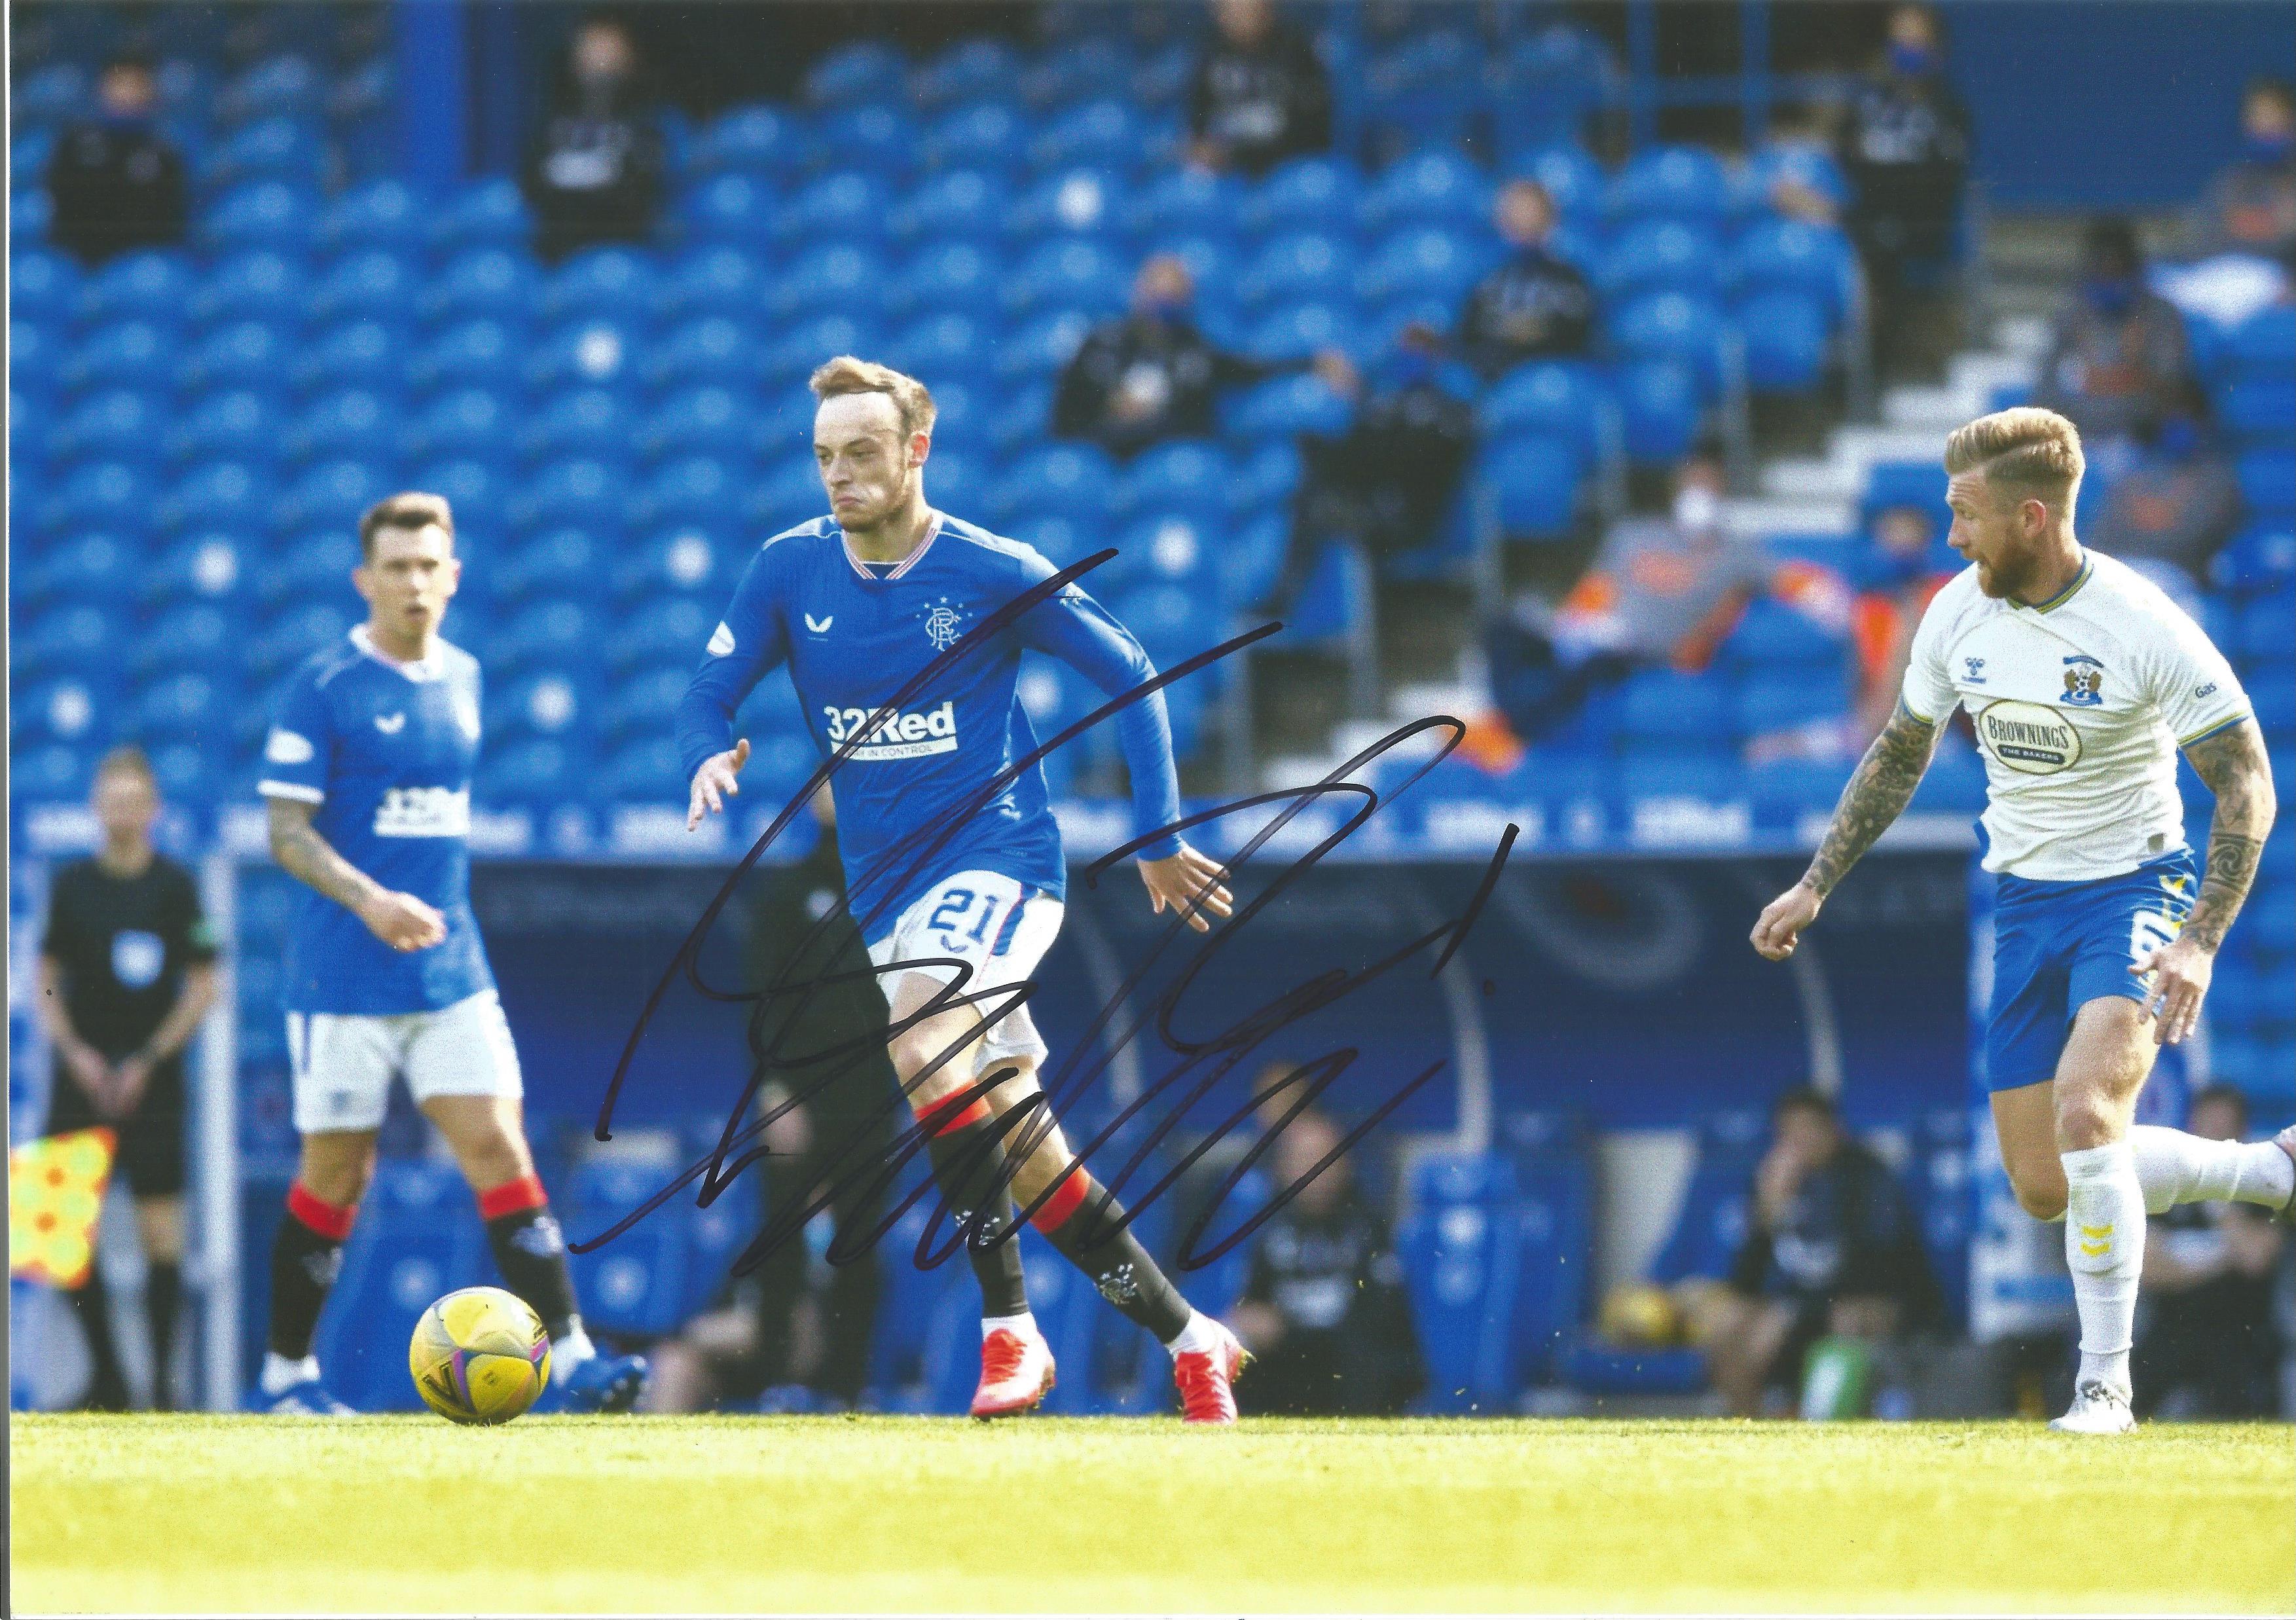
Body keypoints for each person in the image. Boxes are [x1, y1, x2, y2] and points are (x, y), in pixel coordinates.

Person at [679, 357, 1250, 1422]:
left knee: (918, 1032)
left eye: (860, 452)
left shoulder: (989, 569)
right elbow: (708, 689)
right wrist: (709, 748)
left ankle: (1010, 1332)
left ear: (915, 452)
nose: (839, 474)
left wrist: (1158, 832)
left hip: (1001, 861)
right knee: (1026, 1152)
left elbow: (1132, 671)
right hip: (885, 892)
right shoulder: (787, 570)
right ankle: (1189, 1331)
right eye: (824, 457)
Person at [1751, 407, 2295, 1435]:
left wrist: (2200, 939)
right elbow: (1897, 751)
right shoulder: (1956, 612)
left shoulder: (2141, 624)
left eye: (1964, 515)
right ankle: (2264, 1172)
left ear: (2031, 517)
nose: (1950, 535)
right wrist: (1815, 882)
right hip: (2025, 904)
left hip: (2135, 889)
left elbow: (2246, 785)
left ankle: (2103, 1390)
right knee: (2046, 1182)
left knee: (2089, 1116)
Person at [251, 492, 650, 1414]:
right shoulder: (323, 687)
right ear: (365, 580)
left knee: (499, 1143)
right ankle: (285, 1377)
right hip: (343, 976)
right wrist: (369, 898)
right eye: (396, 566)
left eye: (429, 564)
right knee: (338, 1172)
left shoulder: (465, 677)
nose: (414, 581)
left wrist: (415, 910)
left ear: (454, 575)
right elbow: (283, 828)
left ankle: (579, 1354)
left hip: (448, 970)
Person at [645, 784, 893, 1414]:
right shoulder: (787, 891)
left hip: (872, 1095)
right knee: (778, 1241)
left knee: (860, 1242)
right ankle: (780, 1381)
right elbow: (763, 1000)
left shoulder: (898, 885)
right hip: (800, 1093)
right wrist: (776, 1087)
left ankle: (845, 1389)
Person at [36, 746, 219, 1410]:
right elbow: (48, 977)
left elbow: (203, 985)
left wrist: (148, 1056)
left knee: (162, 1236)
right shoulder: (72, 885)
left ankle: (164, 1389)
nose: (122, 811)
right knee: (57, 1234)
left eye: (133, 799)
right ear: (96, 806)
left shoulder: (176, 886)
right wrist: (74, 1049)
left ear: (152, 808)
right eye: (111, 799)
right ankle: (107, 1379)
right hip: (80, 1077)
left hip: (153, 1083)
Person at [1483, 448, 1770, 741]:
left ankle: (1510, 734)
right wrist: (1575, 620)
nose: (1698, 494)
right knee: (1505, 628)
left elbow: (1788, 582)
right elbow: (1598, 586)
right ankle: (1501, 717)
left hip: (1648, 647)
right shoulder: (1634, 535)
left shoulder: (1735, 551)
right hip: (1602, 629)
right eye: (1691, 484)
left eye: (1707, 485)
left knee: (1590, 663)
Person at [1706, 1089, 1939, 1418]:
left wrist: (1797, 1311)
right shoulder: (1775, 1182)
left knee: (1848, 1320)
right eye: (1789, 1134)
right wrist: (1768, 1211)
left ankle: (1827, 1433)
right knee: (1728, 1323)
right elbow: (1745, 1283)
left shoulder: (1868, 1176)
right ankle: (1751, 1429)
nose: (1799, 1143)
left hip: (1866, 1301)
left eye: (1808, 1130)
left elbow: (1883, 1269)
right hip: (1798, 1307)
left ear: (1833, 1130)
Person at [1052, 252, 1353, 460]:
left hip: (1170, 466)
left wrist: (1313, 363)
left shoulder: (1194, 351)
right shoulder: (1102, 345)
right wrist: (1111, 406)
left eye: (1175, 296)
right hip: (1105, 458)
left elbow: (1249, 370)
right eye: (1158, 295)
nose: (1164, 305)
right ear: (1139, 293)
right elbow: (1065, 416)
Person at [1227, 1108, 1423, 1416]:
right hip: (1288, 1371)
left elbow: (1381, 1322)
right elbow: (1253, 1307)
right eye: (1302, 1161)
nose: (1314, 1171)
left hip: (1350, 1373)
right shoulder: (1271, 1233)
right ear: (1283, 1169)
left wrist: (1291, 1330)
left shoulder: (1369, 1229)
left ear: (1344, 1164)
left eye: (1324, 1159)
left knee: (1357, 1360)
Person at [1269, 320, 1474, 612]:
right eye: (1406, 348)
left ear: (1437, 357)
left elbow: (1404, 461)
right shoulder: (1386, 406)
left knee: (1314, 506)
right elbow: (1357, 458)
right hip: (1377, 504)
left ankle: (1284, 601)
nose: (1409, 355)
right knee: (1309, 489)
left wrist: (1367, 411)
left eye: (1419, 349)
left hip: (1408, 518)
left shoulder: (1449, 412)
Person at [2131, 1086, 2286, 1419]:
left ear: (2241, 1134)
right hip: (2174, 1325)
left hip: (2241, 1330)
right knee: (2129, 1393)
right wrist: (2220, 1262)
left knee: (2243, 1388)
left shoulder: (2266, 1188)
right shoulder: (2167, 1189)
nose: (2214, 1140)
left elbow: (2256, 1260)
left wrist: (2219, 1198)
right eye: (2207, 1129)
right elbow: (2149, 1269)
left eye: (2224, 1131)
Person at [1838, 5, 1971, 373]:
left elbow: (1936, 183)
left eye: (1915, 42)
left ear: (1935, 49)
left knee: (1879, 242)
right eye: (1899, 42)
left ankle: (1881, 367)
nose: (1906, 51)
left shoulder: (1948, 111)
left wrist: (1880, 183)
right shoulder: (1868, 104)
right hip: (1865, 220)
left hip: (1918, 225)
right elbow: (1845, 161)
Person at [2035, 219, 2195, 467]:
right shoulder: (2072, 316)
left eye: (2117, 269)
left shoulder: (2161, 314)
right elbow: (2046, 392)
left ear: (2133, 270)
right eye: (2102, 270)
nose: (2109, 277)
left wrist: (2113, 378)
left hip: (2141, 441)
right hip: (2080, 440)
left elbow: (2173, 387)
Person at [522, 16, 666, 263]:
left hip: (623, 262)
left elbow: (641, 196)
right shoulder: (551, 133)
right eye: (591, 54)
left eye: (609, 56)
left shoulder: (646, 132)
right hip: (559, 259)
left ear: (628, 63)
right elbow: (532, 186)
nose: (599, 68)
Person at [2086, 380, 2242, 598]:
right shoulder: (2134, 471)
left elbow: (2197, 540)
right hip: (2122, 575)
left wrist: (2152, 517)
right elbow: (2104, 534)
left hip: (2181, 582)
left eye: (2185, 416)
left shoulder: (2216, 478)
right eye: (2170, 416)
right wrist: (2163, 516)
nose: (2177, 424)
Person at [45, 55, 189, 266]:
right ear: (101, 88)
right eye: (119, 83)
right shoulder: (74, 145)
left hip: (143, 264)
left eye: (135, 85)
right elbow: (60, 207)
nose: (126, 94)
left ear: (151, 93)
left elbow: (172, 220)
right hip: (81, 259)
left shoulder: (164, 152)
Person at [1456, 179, 1597, 378]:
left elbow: (1579, 332)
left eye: (1532, 212)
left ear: (1549, 218)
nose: (1525, 221)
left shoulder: (1569, 278)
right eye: (1517, 212)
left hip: (1557, 381)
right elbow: (1470, 333)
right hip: (1497, 379)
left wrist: (1530, 331)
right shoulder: (1488, 279)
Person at [1184, 0, 1333, 179]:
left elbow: (1314, 132)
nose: (1236, 16)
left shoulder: (1297, 50)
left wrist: (1239, 155)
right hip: (1226, 174)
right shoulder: (1209, 53)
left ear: (1267, 9)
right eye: (1229, 9)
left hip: (1286, 169)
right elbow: (1196, 120)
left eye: (1246, 9)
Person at [1850, 504, 1956, 743]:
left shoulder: (1948, 593)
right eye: (1892, 534)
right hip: (1869, 724)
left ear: (1925, 540)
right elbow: (1867, 689)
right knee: (1765, 750)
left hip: (1939, 727)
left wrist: (1911, 616)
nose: (1901, 544)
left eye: (1910, 534)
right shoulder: (1867, 606)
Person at [2187, 79, 2296, 259]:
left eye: (2273, 117)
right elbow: (2203, 236)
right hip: (2234, 273)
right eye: (2257, 117)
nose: (2264, 127)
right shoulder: (2231, 182)